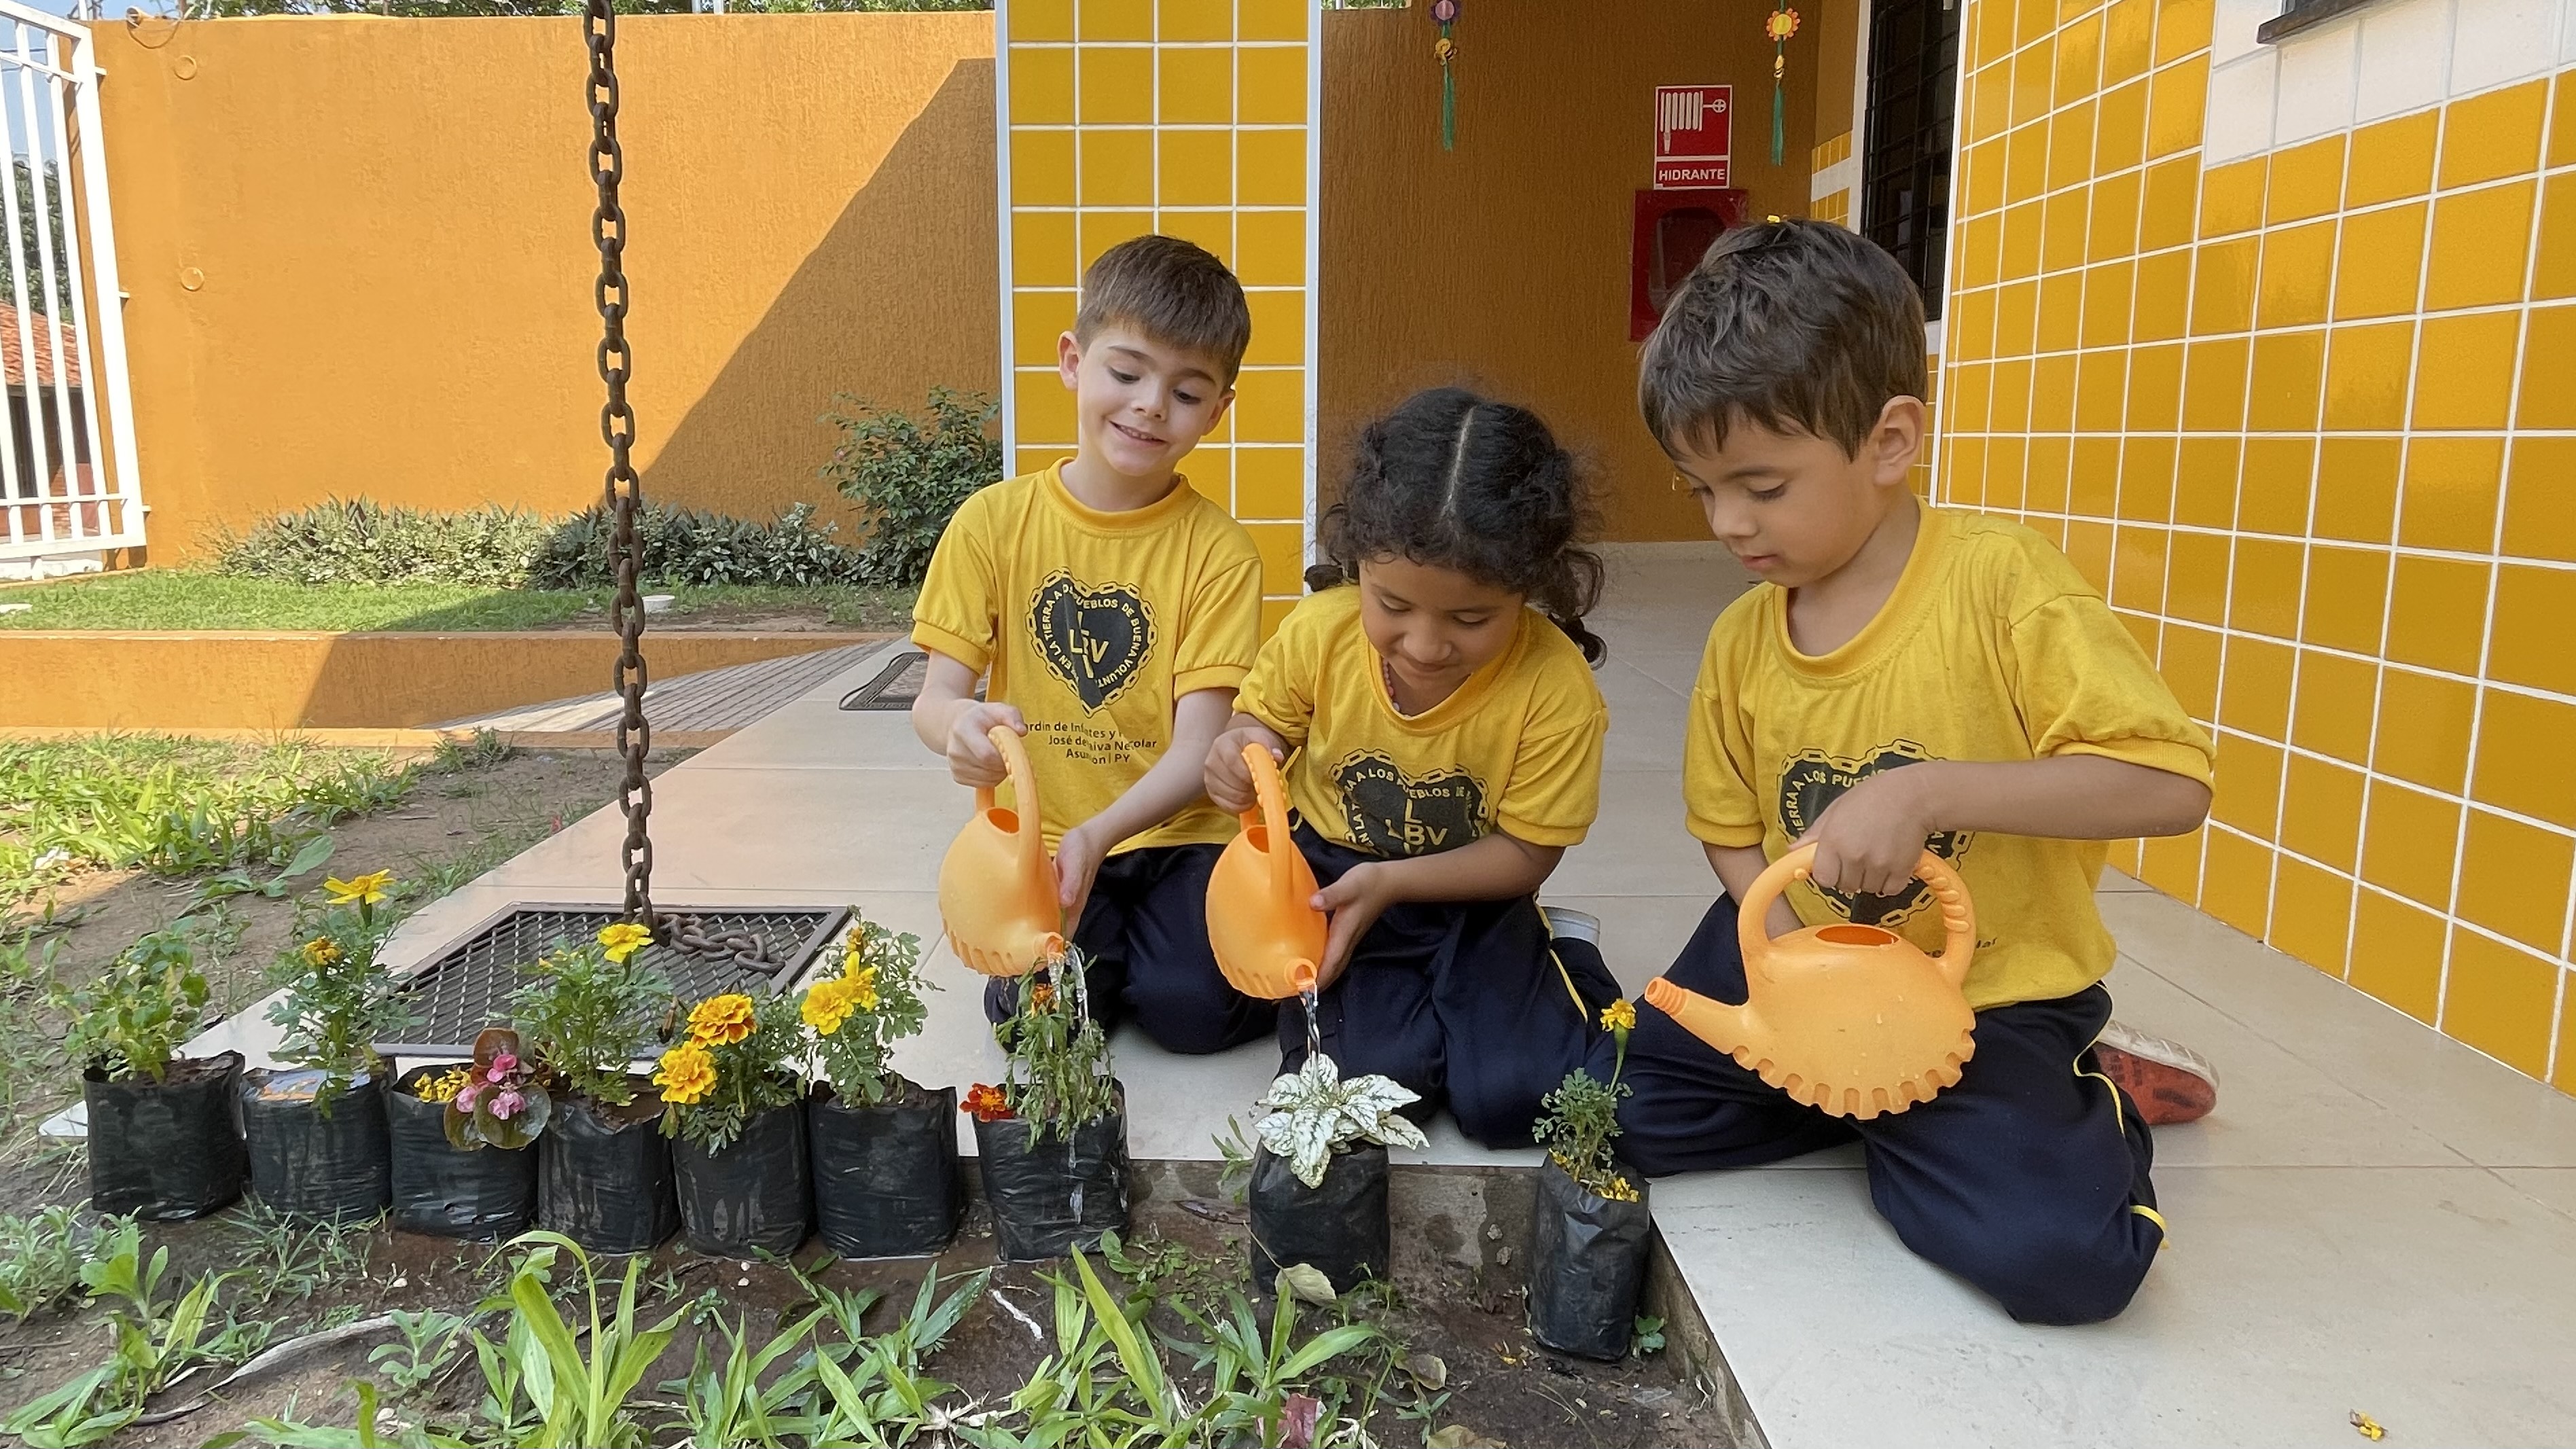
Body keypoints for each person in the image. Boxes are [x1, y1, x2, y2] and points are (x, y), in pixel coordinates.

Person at [1599, 219, 2221, 1325]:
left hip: (1985, 992)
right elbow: (1730, 830)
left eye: (1761, 485)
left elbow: (2170, 782)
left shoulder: (2003, 584)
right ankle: (1870, 1103)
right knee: (1617, 1116)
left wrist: (1927, 791)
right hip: (1801, 958)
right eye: (1701, 490)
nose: (1729, 523)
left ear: (1890, 441)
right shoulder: (1743, 636)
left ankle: (2085, 1094)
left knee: (2064, 1262)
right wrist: (1792, 970)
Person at [1205, 387, 1623, 1147]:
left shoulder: (1554, 688)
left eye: (1471, 618)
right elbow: (1258, 724)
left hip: (1477, 890)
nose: (1426, 646)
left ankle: (1565, 953)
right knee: (1371, 1092)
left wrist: (1395, 881)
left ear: (1532, 585)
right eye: (1393, 605)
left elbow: (1529, 850)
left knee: (1514, 1103)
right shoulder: (1320, 633)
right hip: (1334, 882)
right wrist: (1240, 747)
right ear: (1357, 563)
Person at [910, 234, 1272, 1054]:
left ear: (1218, 412)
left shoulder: (1220, 552)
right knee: (1038, 1025)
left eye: (1186, 391)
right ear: (1073, 362)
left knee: (1194, 1014)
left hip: (1178, 835)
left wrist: (1101, 835)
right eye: (1127, 373)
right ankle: (1120, 949)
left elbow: (1197, 750)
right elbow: (937, 700)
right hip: (1046, 835)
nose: (1151, 406)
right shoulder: (991, 525)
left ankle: (1172, 944)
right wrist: (959, 729)